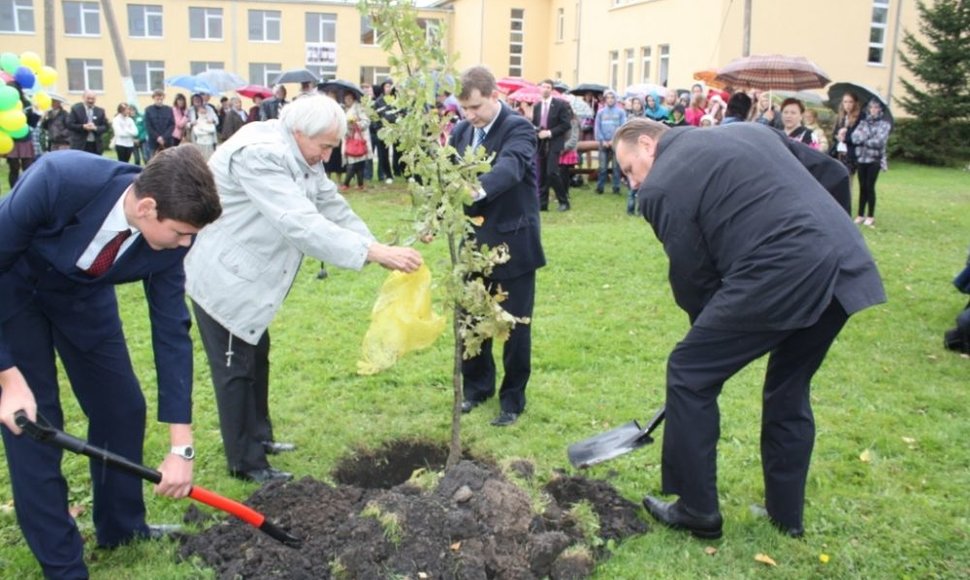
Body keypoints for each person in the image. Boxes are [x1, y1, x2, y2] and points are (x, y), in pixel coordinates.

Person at [612, 118, 885, 540]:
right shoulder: (747, 129)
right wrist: (824, 239)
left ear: (647, 144)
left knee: (690, 372)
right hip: (842, 263)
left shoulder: (661, 185)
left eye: (629, 169)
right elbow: (830, 172)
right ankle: (785, 516)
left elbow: (693, 276)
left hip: (782, 269)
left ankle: (697, 509)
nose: (632, 184)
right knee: (787, 388)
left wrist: (706, 340)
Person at [0, 146, 222, 579]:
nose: (186, 244)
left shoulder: (171, 238)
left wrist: (182, 445)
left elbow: (171, 330)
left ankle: (121, 528)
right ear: (146, 207)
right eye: (180, 233)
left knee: (122, 408)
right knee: (35, 424)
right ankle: (63, 566)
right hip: (12, 287)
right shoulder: (58, 179)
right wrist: (8, 378)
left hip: (84, 294)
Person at [184, 94, 423, 483]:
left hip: (249, 278)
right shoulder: (261, 155)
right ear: (298, 132)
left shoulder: (300, 154)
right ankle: (246, 462)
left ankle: (260, 438)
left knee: (255, 354)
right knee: (234, 367)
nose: (327, 156)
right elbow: (300, 223)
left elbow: (331, 207)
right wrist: (372, 252)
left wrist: (377, 248)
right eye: (324, 146)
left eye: (332, 146)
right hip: (226, 279)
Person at [448, 66, 546, 427]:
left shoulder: (517, 128)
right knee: (471, 321)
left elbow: (511, 166)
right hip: (473, 246)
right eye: (464, 109)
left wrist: (476, 190)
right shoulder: (461, 131)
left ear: (493, 96)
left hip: (512, 244)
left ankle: (512, 400)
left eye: (475, 107)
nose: (470, 116)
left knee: (515, 326)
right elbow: (449, 173)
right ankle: (477, 388)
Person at [850, 98, 892, 227]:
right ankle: (860, 214)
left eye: (876, 107)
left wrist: (864, 140)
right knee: (862, 187)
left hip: (875, 160)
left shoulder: (885, 124)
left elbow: (879, 142)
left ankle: (870, 215)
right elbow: (854, 138)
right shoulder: (863, 123)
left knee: (870, 187)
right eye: (871, 107)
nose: (873, 110)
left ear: (880, 109)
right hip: (861, 159)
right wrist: (867, 139)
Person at [532, 79, 572, 211]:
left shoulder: (560, 105)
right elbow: (535, 123)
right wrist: (537, 130)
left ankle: (564, 201)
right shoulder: (537, 106)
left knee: (552, 172)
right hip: (541, 144)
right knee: (542, 173)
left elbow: (566, 125)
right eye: (543, 87)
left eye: (548, 87)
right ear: (540, 89)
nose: (545, 89)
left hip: (554, 142)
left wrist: (549, 133)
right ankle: (543, 204)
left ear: (552, 90)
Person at [4, 82, 39, 187]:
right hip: (11, 140)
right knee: (14, 168)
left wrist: (36, 112)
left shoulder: (27, 104)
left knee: (28, 168)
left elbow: (33, 123)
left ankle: (27, 190)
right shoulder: (5, 104)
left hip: (25, 138)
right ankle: (13, 192)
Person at [593, 90, 627, 194]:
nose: (610, 100)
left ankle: (616, 188)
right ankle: (600, 187)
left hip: (616, 144)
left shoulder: (621, 112)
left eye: (612, 98)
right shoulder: (600, 112)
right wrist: (602, 140)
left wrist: (614, 140)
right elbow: (597, 127)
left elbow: (623, 127)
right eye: (608, 98)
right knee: (602, 167)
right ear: (605, 99)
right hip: (603, 143)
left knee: (616, 168)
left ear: (615, 99)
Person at [340, 91, 371, 191]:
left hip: (358, 140)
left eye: (349, 99)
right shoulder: (343, 109)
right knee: (355, 162)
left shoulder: (358, 108)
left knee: (355, 163)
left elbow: (366, 121)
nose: (347, 101)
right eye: (346, 99)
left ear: (353, 99)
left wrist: (355, 123)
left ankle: (346, 184)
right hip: (348, 138)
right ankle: (360, 184)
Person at [144, 89, 175, 160]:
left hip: (167, 141)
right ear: (153, 98)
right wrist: (158, 137)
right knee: (154, 162)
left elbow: (172, 125)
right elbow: (148, 126)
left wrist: (164, 137)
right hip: (154, 142)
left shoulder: (169, 109)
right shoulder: (148, 110)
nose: (159, 101)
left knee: (169, 162)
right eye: (157, 99)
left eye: (161, 99)